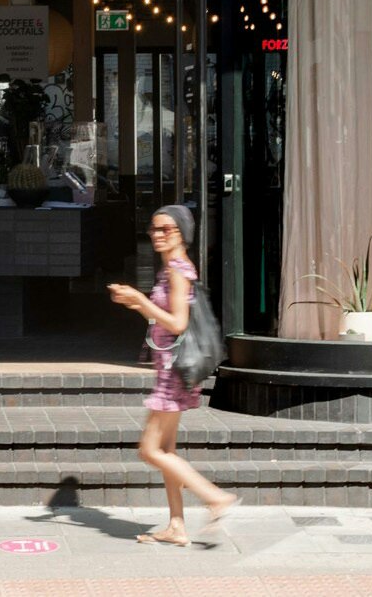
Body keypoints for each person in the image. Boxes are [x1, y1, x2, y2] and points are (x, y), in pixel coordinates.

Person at [108, 204, 239, 547]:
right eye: (154, 228)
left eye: (166, 229)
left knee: (150, 450)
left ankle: (215, 498)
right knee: (167, 450)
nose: (157, 235)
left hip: (172, 371)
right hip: (169, 366)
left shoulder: (179, 271)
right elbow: (168, 323)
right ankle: (177, 525)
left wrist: (139, 299)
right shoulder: (170, 269)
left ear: (182, 233)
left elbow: (177, 323)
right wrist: (138, 303)